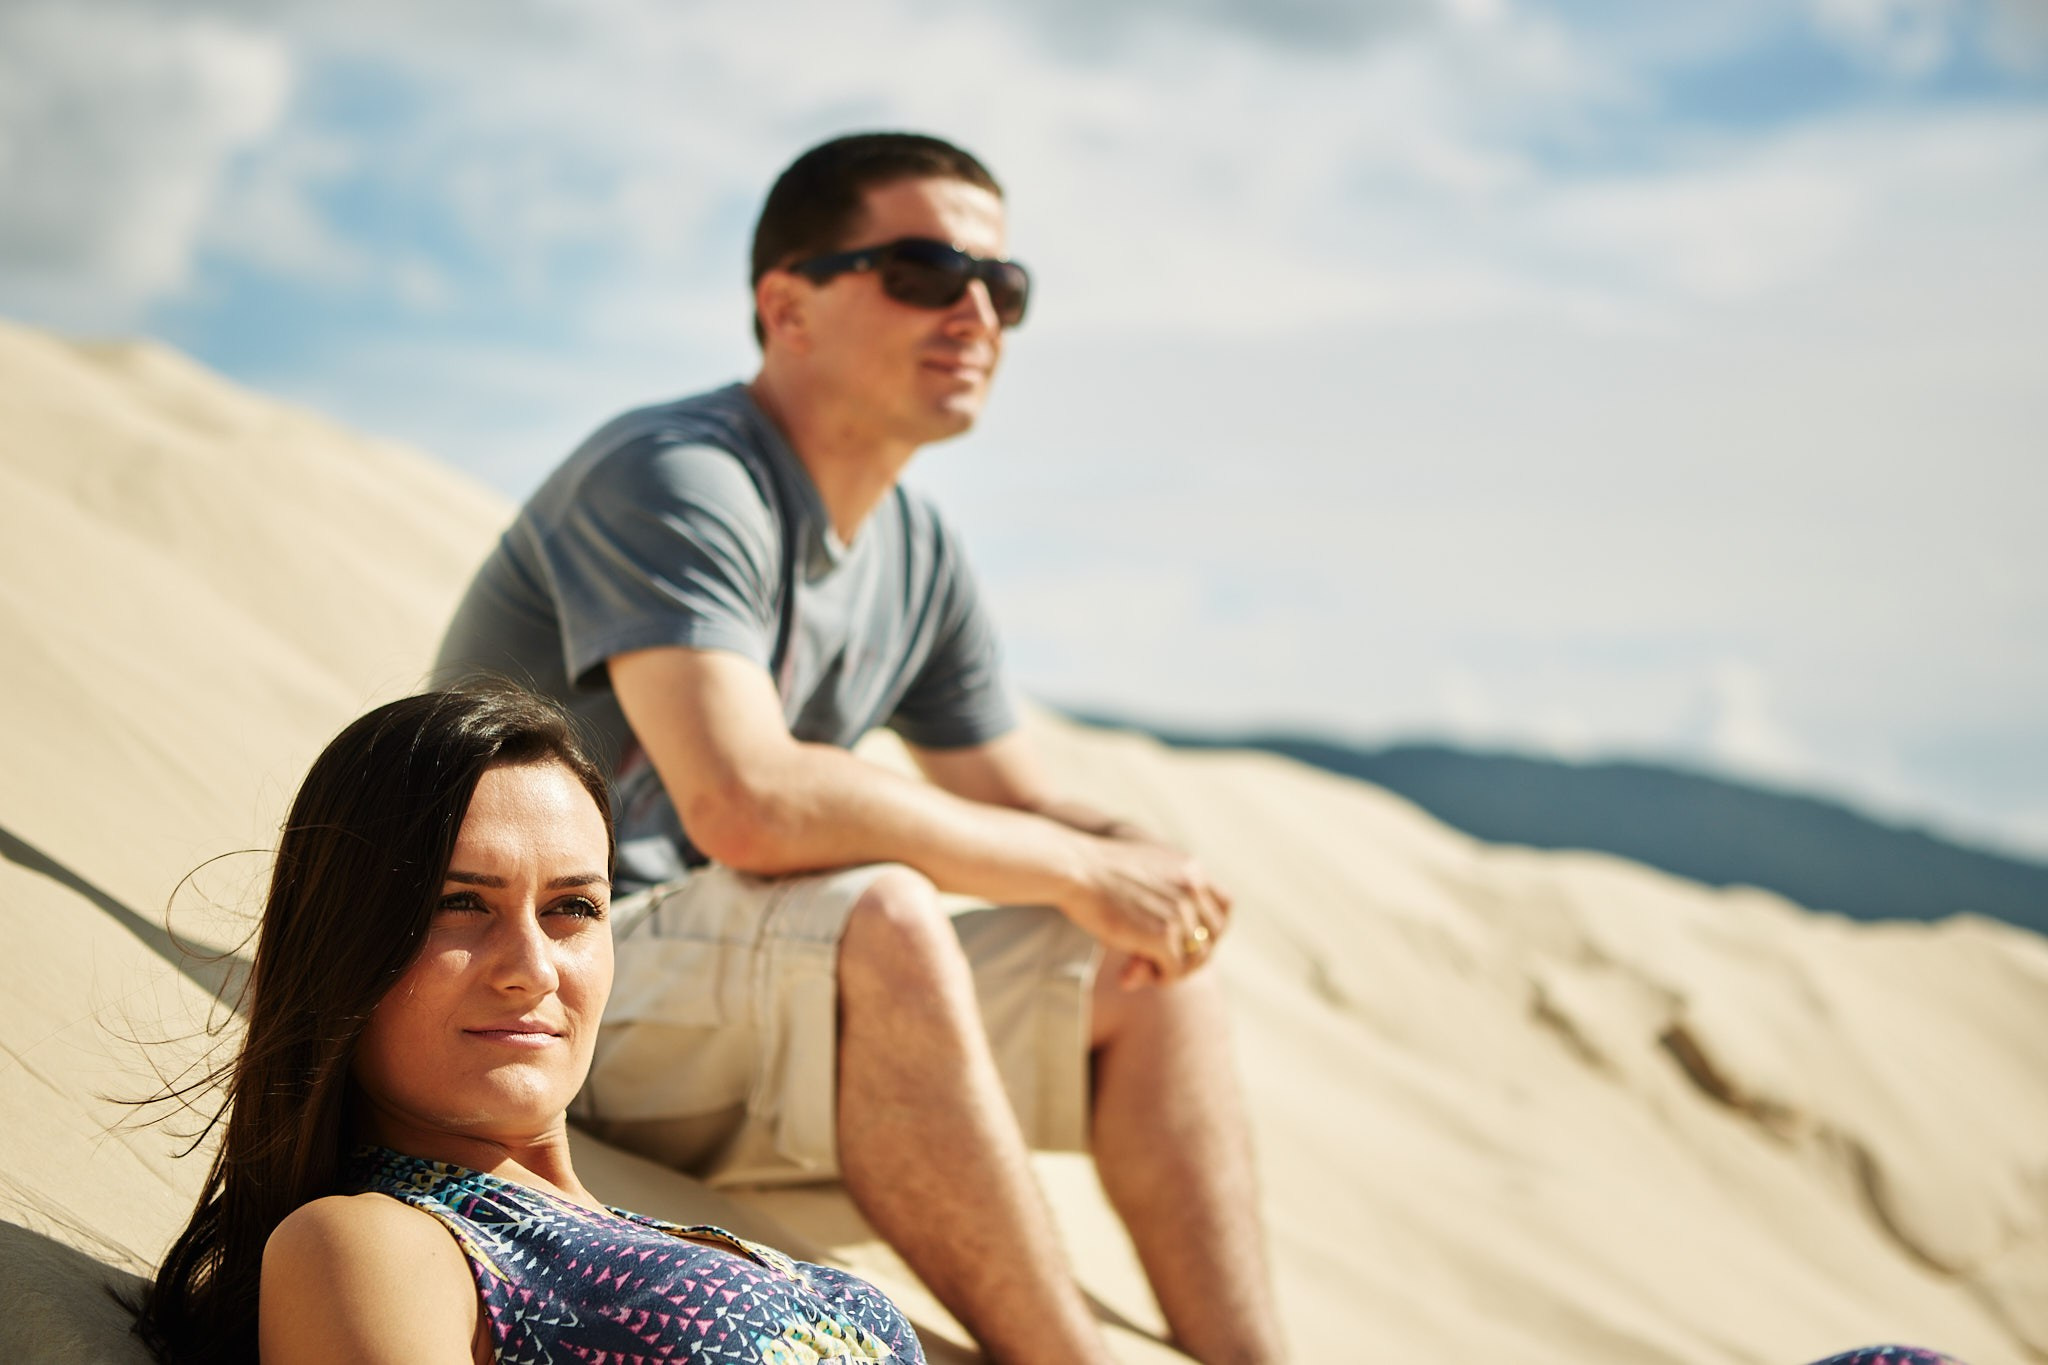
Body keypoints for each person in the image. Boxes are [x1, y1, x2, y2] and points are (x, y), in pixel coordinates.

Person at [433, 131, 1283, 1363]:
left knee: (1151, 975)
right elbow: (744, 801)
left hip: (739, 1023)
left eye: (1005, 286)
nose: (977, 311)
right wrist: (1078, 869)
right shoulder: (675, 474)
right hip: (536, 989)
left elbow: (1019, 800)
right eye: (926, 271)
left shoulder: (918, 552)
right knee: (886, 913)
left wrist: (1143, 869)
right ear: (787, 303)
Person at [137, 686, 927, 1364]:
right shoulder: (373, 1244)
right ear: (344, 940)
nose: (532, 965)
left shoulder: (631, 1231)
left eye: (573, 908)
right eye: (461, 903)